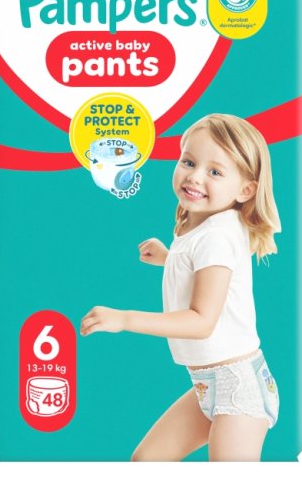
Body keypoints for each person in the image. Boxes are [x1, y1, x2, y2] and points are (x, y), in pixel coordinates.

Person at [80, 114, 281, 461]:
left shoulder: (217, 235)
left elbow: (201, 321)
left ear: (245, 190)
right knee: (146, 460)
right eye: (188, 162)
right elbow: (207, 268)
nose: (195, 176)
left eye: (214, 172)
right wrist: (170, 258)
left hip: (237, 388)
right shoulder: (206, 224)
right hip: (208, 382)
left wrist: (124, 319)